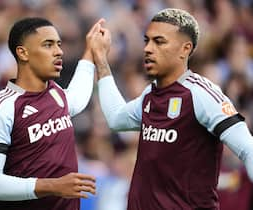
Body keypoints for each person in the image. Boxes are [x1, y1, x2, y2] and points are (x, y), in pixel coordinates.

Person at [93, 8, 253, 209]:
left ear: (185, 49)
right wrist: (101, 61)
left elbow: (248, 148)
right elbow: (116, 119)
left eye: (159, 42)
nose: (148, 49)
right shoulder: (149, 95)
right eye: (147, 41)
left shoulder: (201, 94)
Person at [0, 17, 110, 210]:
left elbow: (76, 99)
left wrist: (90, 51)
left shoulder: (55, 93)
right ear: (23, 53)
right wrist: (52, 185)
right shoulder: (0, 107)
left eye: (59, 45)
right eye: (48, 45)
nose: (59, 51)